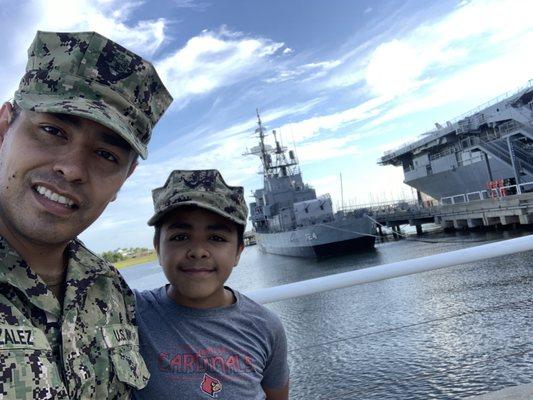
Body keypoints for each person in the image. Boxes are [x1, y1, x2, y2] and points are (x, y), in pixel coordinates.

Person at [0, 31, 172, 399]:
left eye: (106, 155)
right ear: (3, 129)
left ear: (124, 179)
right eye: (52, 130)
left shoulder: (110, 289)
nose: (73, 169)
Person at [134, 169, 290, 399]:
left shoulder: (266, 327)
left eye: (217, 238)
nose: (198, 252)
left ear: (238, 252)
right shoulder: (131, 312)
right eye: (180, 237)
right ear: (158, 247)